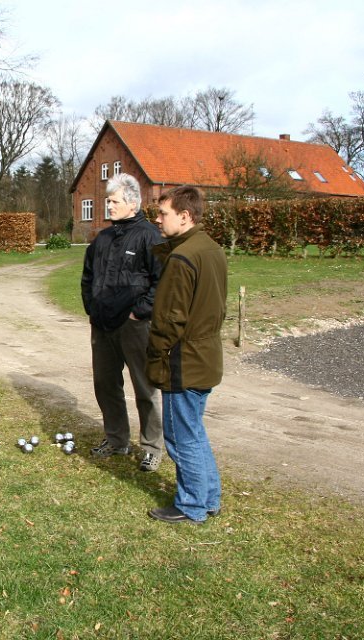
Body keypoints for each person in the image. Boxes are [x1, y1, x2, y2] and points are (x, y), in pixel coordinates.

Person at [145, 186, 227, 524]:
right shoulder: (211, 248)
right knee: (193, 431)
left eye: (163, 213)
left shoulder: (183, 258)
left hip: (184, 360)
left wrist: (156, 355)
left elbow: (169, 320)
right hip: (205, 355)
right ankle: (209, 498)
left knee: (181, 436)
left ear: (185, 216)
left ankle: (191, 505)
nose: (157, 219)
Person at [81, 173, 165, 472]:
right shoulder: (102, 238)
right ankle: (116, 439)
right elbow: (88, 276)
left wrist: (139, 312)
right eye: (108, 201)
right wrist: (92, 308)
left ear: (132, 203)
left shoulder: (150, 237)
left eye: (114, 201)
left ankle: (152, 447)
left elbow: (162, 280)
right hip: (102, 324)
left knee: (145, 388)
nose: (109, 206)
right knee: (105, 384)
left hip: (134, 326)